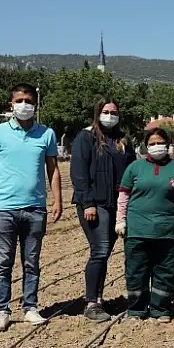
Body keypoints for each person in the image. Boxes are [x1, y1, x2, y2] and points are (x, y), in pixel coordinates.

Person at [0, 83, 62, 332]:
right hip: (3, 208)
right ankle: (1, 311)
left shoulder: (46, 134)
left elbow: (53, 170)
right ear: (11, 104)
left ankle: (30, 307)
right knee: (3, 261)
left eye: (28, 101)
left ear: (35, 105)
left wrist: (57, 200)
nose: (24, 105)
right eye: (19, 100)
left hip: (35, 208)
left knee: (31, 261)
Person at [115, 128, 174, 322]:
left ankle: (160, 309)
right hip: (137, 230)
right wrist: (120, 219)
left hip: (168, 231)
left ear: (167, 145)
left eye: (160, 143)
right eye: (152, 143)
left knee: (165, 271)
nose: (157, 146)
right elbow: (123, 196)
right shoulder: (135, 168)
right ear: (146, 146)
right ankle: (137, 309)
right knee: (136, 271)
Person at [70, 98, 136, 322]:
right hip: (95, 204)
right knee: (100, 249)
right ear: (98, 113)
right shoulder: (86, 137)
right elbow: (79, 173)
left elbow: (132, 169)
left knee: (105, 252)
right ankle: (91, 303)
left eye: (114, 112)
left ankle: (98, 297)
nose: (110, 115)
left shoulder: (123, 140)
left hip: (117, 203)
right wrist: (88, 203)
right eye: (106, 111)